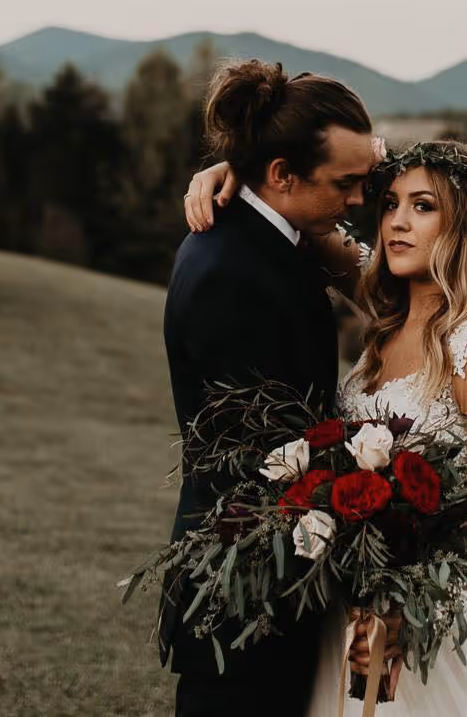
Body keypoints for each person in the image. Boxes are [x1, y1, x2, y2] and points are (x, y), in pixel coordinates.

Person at [184, 139, 467, 717]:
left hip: (426, 628)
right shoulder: (385, 315)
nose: (398, 222)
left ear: (463, 225)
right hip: (340, 616)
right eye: (390, 204)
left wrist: (417, 607)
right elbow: (298, 205)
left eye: (424, 206)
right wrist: (238, 171)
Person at [162, 59, 378, 717]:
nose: (360, 201)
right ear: (282, 175)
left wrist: (236, 163)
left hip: (273, 590)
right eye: (346, 184)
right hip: (248, 599)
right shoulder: (235, 271)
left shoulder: (267, 233)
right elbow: (270, 460)